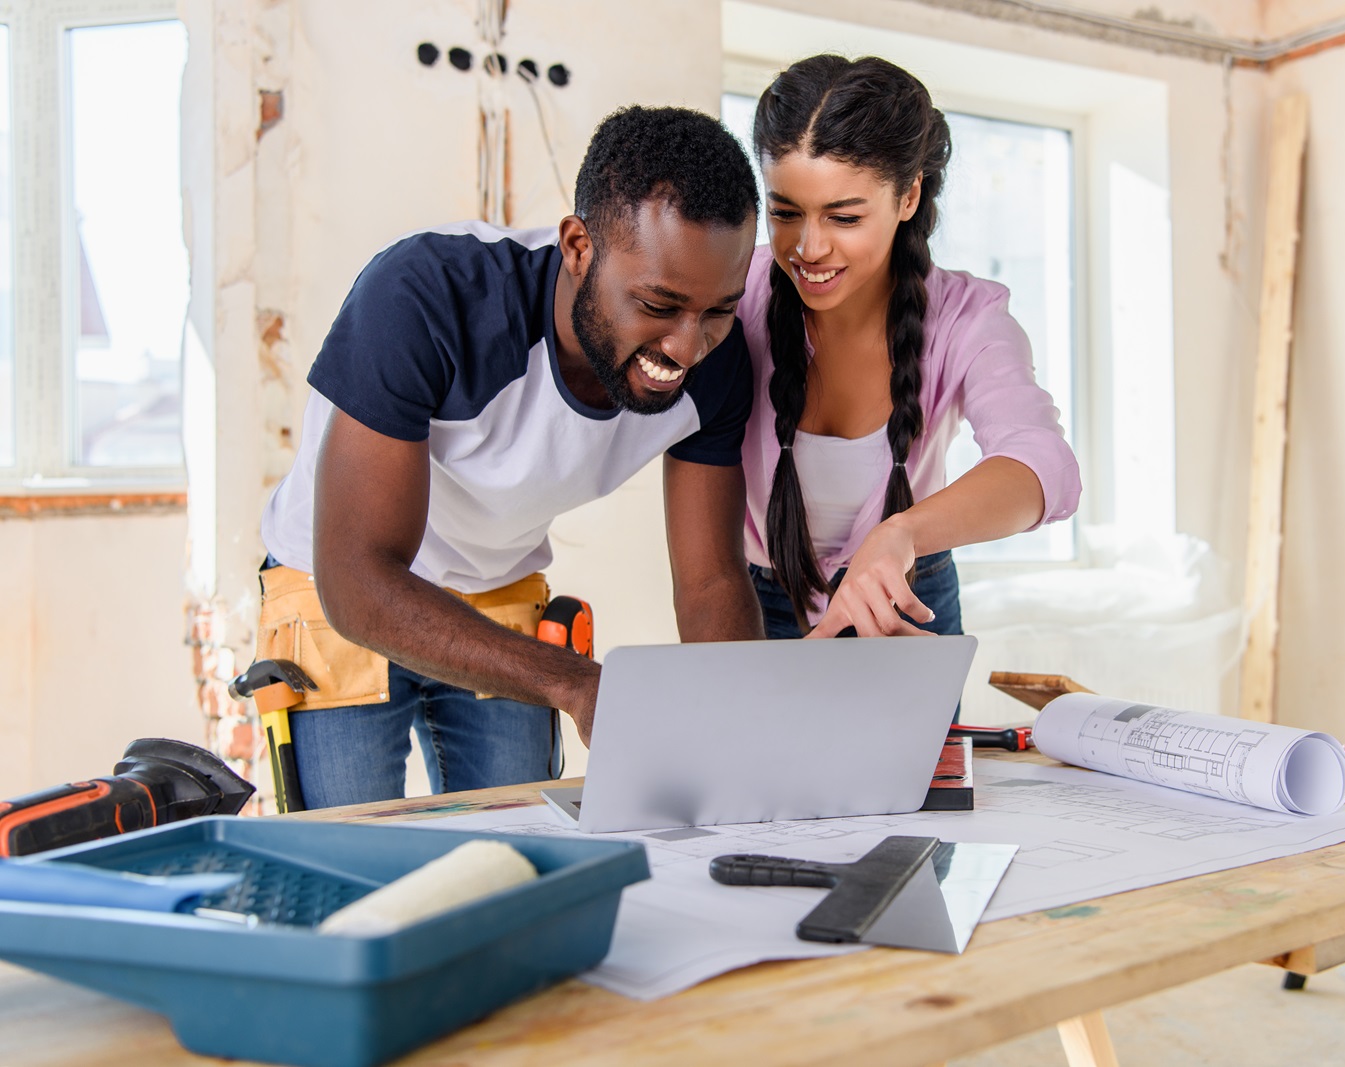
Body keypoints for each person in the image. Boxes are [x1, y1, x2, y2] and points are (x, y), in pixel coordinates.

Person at [255, 106, 764, 809]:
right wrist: (576, 681)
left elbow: (711, 583)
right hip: (335, 585)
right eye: (657, 303)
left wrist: (747, 742)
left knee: (516, 857)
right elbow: (359, 576)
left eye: (718, 310)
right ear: (578, 247)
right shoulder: (424, 297)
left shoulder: (718, 362)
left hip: (497, 585)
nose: (685, 347)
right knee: (350, 861)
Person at [739, 55, 1081, 643]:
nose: (808, 247)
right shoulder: (735, 293)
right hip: (757, 598)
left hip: (907, 595)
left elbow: (1045, 468)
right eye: (784, 213)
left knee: (932, 744)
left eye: (844, 216)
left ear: (908, 196)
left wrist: (902, 534)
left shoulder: (969, 318)